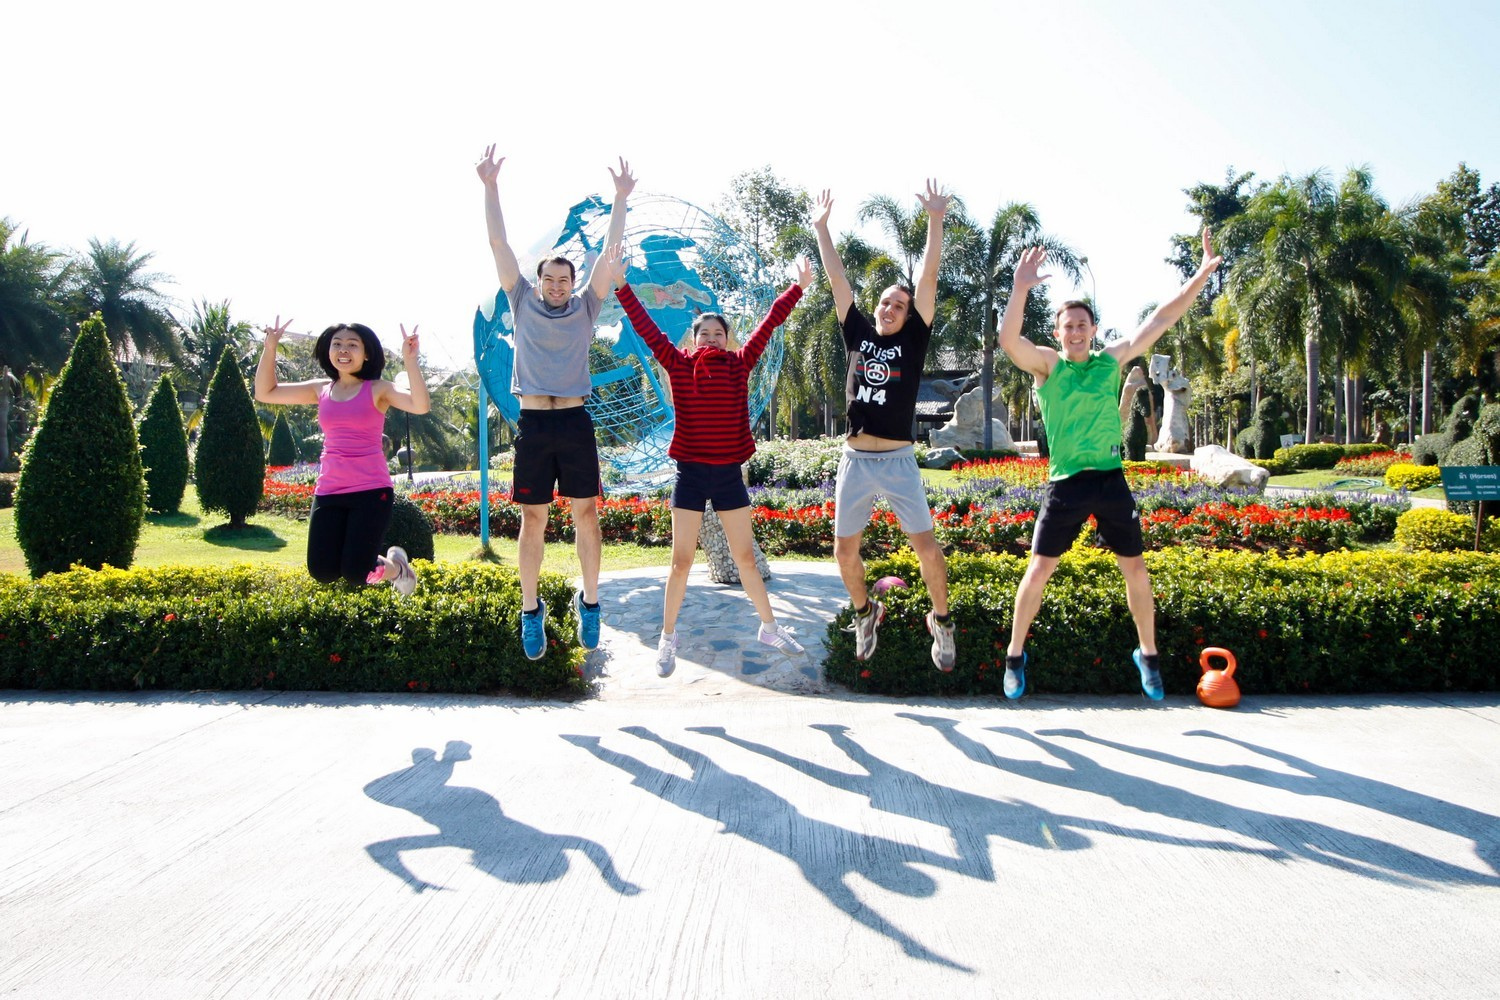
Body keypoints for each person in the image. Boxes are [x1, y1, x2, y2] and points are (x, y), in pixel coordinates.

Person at [997, 229, 1223, 700]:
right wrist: (1019, 288)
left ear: (1093, 329)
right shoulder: (1049, 367)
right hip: (1065, 485)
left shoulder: (1110, 361)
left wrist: (1200, 276)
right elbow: (1009, 341)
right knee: (1038, 570)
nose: (1076, 332)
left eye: (1082, 324)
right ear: (1058, 334)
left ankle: (1148, 655)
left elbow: (1161, 319)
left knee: (1136, 569)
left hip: (1110, 481)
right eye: (1068, 326)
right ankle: (1015, 657)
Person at [604, 243, 812, 677]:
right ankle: (667, 639)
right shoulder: (678, 364)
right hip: (692, 475)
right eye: (705, 334)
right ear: (693, 338)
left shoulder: (740, 364)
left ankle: (770, 628)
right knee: (680, 561)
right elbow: (646, 328)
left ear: (727, 339)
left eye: (719, 333)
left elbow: (769, 324)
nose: (712, 339)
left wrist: (797, 288)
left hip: (728, 475)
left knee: (745, 558)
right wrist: (621, 285)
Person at [475, 147, 634, 660]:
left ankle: (591, 603)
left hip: (574, 422)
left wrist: (620, 198)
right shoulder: (521, 300)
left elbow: (609, 255)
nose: (558, 286)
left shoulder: (587, 306)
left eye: (565, 279)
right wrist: (490, 188)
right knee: (533, 519)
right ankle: (531, 611)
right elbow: (498, 243)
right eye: (550, 279)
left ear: (573, 284)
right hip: (534, 426)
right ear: (539, 281)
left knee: (587, 514)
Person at [811, 183, 956, 672]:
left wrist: (935, 220)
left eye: (899, 305)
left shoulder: (914, 339)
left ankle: (942, 621)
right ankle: (864, 612)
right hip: (854, 460)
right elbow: (837, 280)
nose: (889, 308)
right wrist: (822, 228)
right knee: (843, 552)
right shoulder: (857, 331)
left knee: (927, 548)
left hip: (897, 460)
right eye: (885, 302)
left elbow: (929, 275)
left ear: (910, 315)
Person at [254, 317, 431, 594]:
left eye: (352, 344)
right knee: (322, 571)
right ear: (329, 351)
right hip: (329, 490)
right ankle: (390, 565)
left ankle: (397, 568)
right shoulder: (321, 389)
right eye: (337, 344)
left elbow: (420, 406)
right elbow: (265, 392)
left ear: (367, 353)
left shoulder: (379, 389)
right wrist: (270, 348)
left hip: (371, 491)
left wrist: (410, 361)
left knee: (357, 572)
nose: (343, 350)